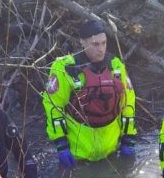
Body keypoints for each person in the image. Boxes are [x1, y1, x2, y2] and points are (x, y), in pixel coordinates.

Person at [41, 19, 137, 167]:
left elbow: (128, 103)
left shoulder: (115, 65)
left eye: (104, 43)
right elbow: (53, 106)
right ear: (83, 42)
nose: (101, 49)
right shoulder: (65, 68)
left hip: (111, 152)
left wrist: (128, 138)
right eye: (95, 44)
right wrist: (61, 144)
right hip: (78, 155)